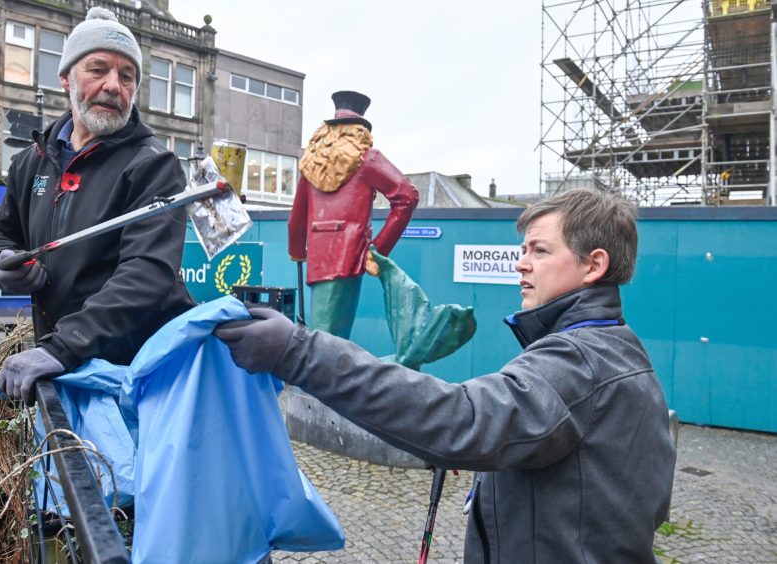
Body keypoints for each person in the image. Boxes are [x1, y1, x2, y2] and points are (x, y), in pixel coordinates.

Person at [217, 188, 677, 563]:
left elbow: (466, 420)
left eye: (539, 251)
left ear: (593, 265)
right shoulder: (619, 351)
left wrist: (299, 351)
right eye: (523, 249)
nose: (521, 263)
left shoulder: (581, 361)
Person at [0, 7, 194, 405]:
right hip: (67, 367)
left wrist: (62, 346)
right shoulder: (31, 160)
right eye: (98, 69)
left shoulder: (154, 165)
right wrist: (1, 261)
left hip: (137, 377)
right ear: (66, 78)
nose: (114, 85)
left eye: (127, 76)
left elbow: (147, 275)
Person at [289, 90, 418, 338]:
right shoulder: (368, 159)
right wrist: (376, 251)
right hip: (349, 254)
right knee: (332, 338)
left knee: (322, 332)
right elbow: (407, 196)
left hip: (317, 258)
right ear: (360, 130)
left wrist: (297, 251)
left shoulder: (312, 162)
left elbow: (296, 218)